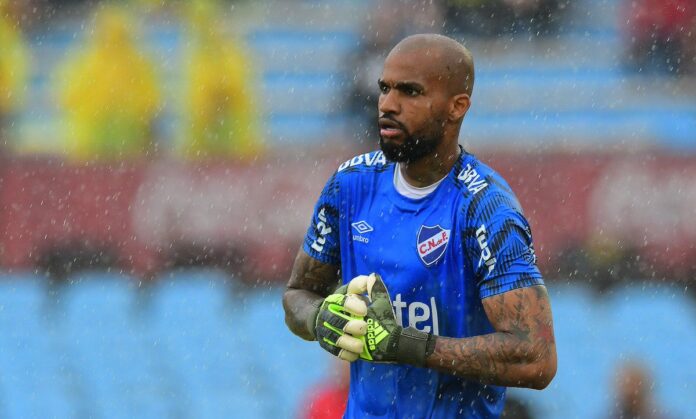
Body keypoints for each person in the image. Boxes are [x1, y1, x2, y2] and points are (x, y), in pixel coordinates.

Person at [283, 33, 557, 418]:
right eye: (385, 88)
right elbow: (298, 294)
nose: (388, 104)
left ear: (456, 107)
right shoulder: (349, 186)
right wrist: (320, 318)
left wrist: (404, 344)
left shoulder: (484, 208)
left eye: (410, 92)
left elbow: (537, 357)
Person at [57, 5, 161, 162]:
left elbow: (67, 97)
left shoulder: (83, 62)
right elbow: (151, 102)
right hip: (110, 142)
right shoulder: (138, 64)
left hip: (100, 143)